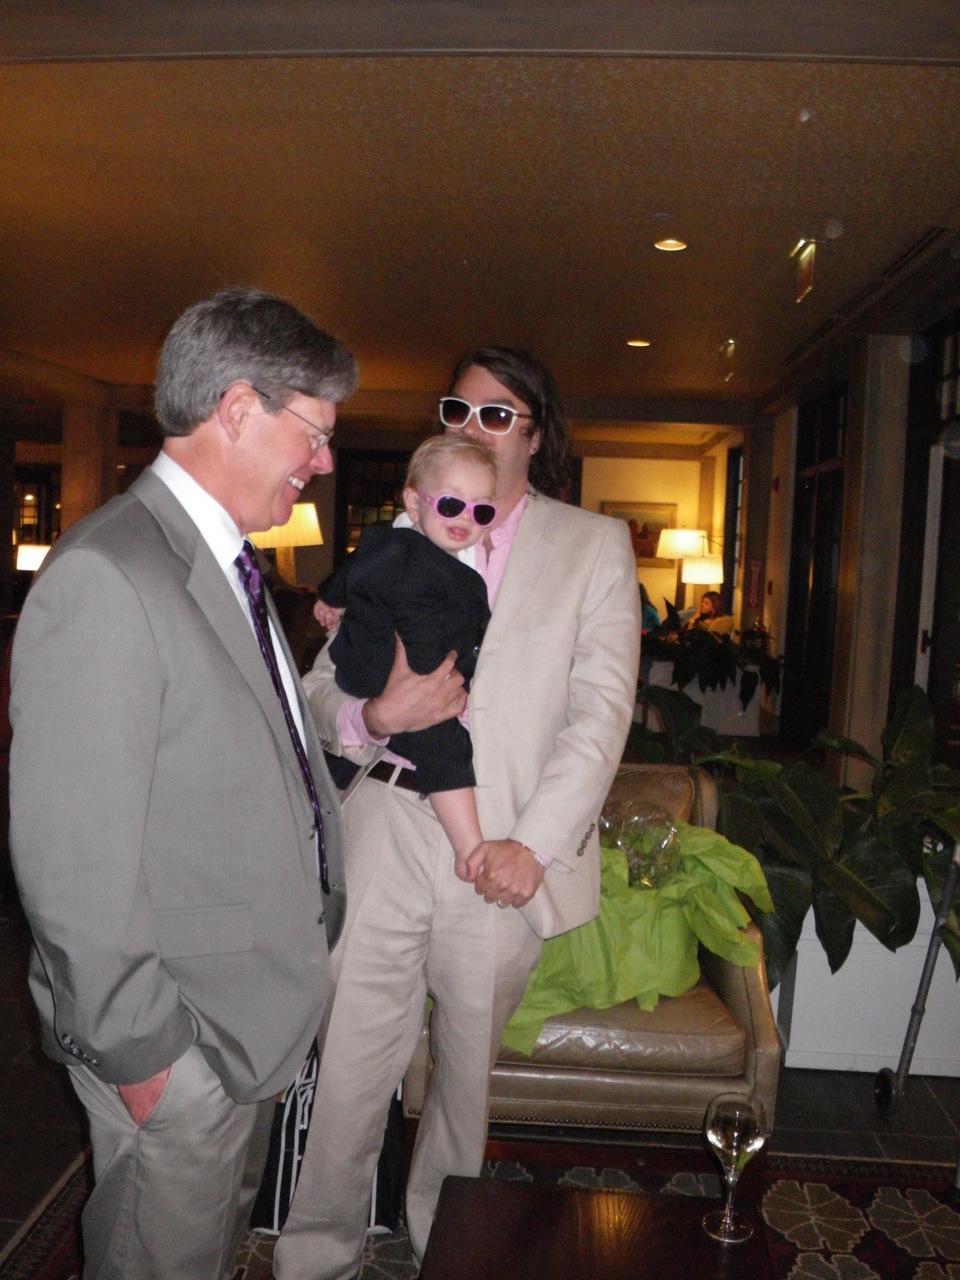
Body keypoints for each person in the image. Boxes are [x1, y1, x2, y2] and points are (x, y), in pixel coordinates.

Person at [8, 287, 357, 1280]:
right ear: (238, 409)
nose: (324, 462)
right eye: (315, 433)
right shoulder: (109, 574)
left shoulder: (223, 561)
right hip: (181, 1039)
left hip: (242, 1018)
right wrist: (149, 1056)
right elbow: (72, 860)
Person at [273, 345, 642, 1279]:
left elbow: (601, 717)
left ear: (537, 434)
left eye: (497, 413)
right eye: (457, 409)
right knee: (350, 1067)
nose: (473, 427)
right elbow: (318, 687)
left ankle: (446, 1252)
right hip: (387, 823)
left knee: (462, 1084)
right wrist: (372, 716)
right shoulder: (397, 533)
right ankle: (314, 1258)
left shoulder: (592, 546)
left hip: (500, 849)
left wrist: (535, 846)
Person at [315, 434, 496, 876]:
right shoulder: (404, 554)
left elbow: (353, 566)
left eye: (481, 511)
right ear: (414, 504)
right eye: (451, 504)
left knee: (438, 735)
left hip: (386, 666)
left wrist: (332, 597)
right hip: (385, 670)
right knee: (443, 743)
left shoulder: (412, 549)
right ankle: (468, 847)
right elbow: (364, 576)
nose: (465, 518)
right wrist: (332, 599)